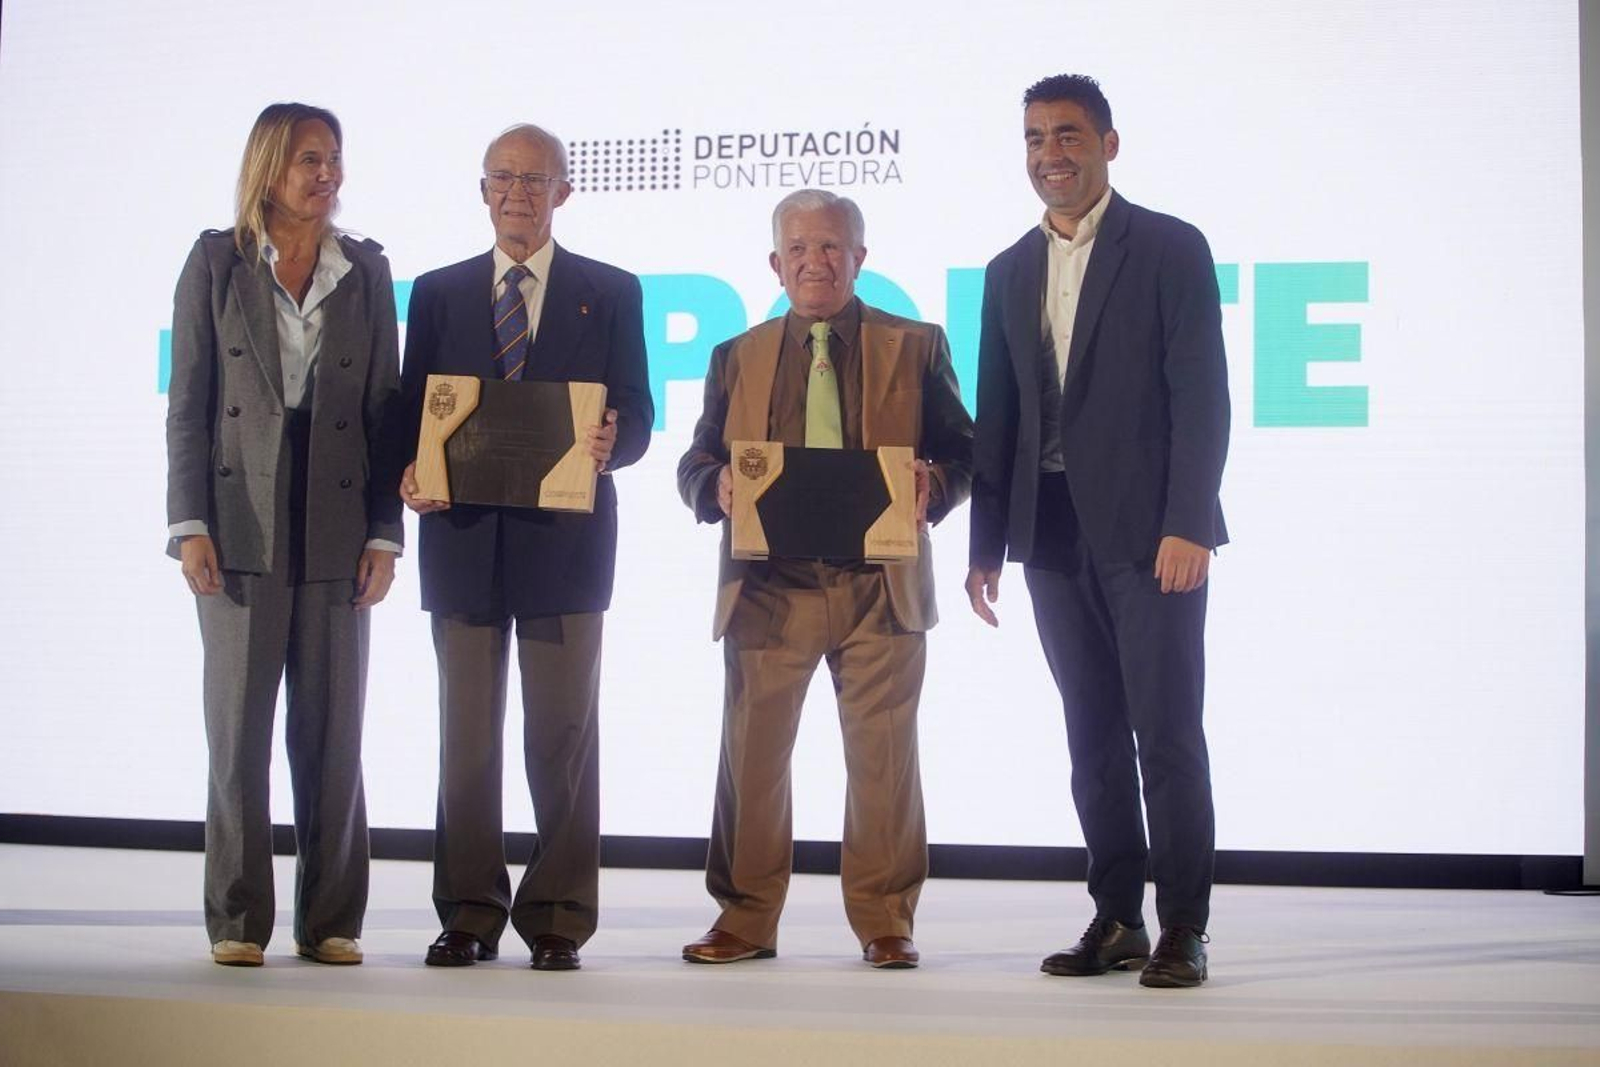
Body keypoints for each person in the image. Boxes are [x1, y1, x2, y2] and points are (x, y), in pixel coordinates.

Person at [965, 74, 1230, 988]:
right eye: (1036, 138)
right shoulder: (1007, 270)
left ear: (1109, 145)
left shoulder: (1168, 248)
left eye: (1070, 135)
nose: (1052, 154)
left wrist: (1189, 521)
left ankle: (1184, 925)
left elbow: (1202, 396)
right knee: (1091, 735)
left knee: (1166, 732)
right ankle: (1116, 914)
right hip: (1052, 533)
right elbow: (995, 416)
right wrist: (985, 545)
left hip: (1153, 535)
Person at [676, 189, 973, 969]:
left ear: (860, 257)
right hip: (769, 589)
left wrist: (934, 486)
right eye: (800, 249)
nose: (817, 261)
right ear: (776, 263)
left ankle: (885, 919)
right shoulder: (735, 355)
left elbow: (965, 452)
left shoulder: (917, 344)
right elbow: (695, 462)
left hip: (880, 587)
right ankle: (745, 917)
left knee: (883, 762)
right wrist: (716, 489)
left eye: (832, 247)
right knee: (754, 758)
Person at [396, 123, 652, 972]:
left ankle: (558, 914)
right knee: (465, 740)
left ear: (564, 192)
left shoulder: (610, 291)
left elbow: (640, 416)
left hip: (567, 549)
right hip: (463, 543)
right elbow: (412, 419)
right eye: (502, 178)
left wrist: (617, 438)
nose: (517, 193)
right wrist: (411, 473)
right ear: (482, 190)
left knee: (561, 735)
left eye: (535, 179)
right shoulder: (435, 294)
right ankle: (468, 910)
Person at [166, 102, 402, 968]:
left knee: (334, 729)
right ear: (269, 166)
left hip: (338, 516)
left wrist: (386, 532)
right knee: (238, 729)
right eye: (310, 158)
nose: (327, 174)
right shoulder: (216, 261)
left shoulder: (366, 269)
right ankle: (237, 919)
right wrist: (187, 522)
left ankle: (332, 917)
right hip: (238, 520)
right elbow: (189, 401)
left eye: (334, 158)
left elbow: (386, 410)